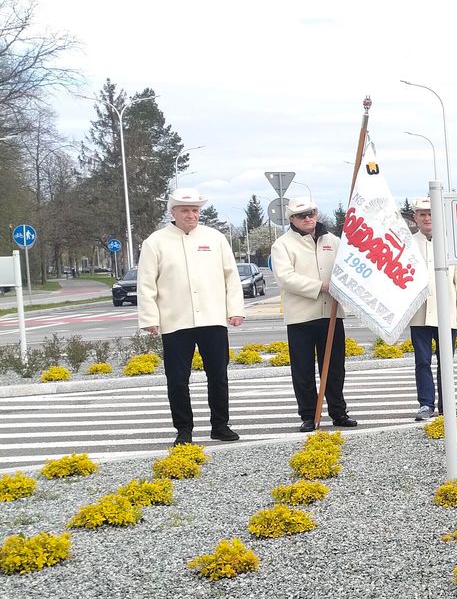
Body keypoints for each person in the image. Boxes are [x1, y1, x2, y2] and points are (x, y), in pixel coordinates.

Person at [136, 188, 245, 445]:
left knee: (218, 375)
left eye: (195, 210)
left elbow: (231, 277)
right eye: (185, 210)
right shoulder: (156, 242)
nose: (191, 215)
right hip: (175, 321)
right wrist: (149, 317)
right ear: (173, 212)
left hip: (212, 318)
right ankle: (183, 429)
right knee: (177, 380)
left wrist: (235, 309)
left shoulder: (215, 238)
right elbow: (146, 283)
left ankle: (220, 425)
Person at [271, 198, 359, 433]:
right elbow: (285, 278)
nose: (308, 218)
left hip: (331, 314)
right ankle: (309, 414)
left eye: (311, 213)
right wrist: (321, 286)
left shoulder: (334, 241)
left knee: (334, 367)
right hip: (301, 316)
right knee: (303, 370)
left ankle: (338, 411)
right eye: (301, 215)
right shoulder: (283, 245)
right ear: (291, 219)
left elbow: (348, 268)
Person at [409, 197, 457, 421]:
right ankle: (426, 404)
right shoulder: (406, 243)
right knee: (422, 361)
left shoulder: (451, 243)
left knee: (446, 362)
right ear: (415, 217)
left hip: (447, 314)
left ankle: (448, 405)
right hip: (418, 314)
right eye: (422, 214)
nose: (427, 218)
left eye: (431, 214)